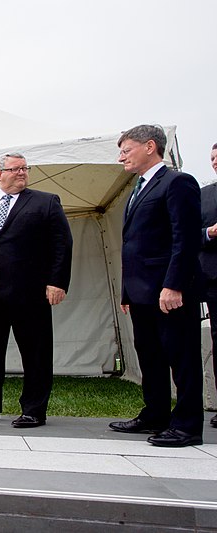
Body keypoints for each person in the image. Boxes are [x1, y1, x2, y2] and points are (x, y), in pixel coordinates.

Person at [0, 153, 73, 428]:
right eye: (15, 169)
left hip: (29, 294)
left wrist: (57, 282)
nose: (22, 173)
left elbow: (62, 245)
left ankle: (33, 410)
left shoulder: (45, 202)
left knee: (35, 354)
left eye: (25, 168)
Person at [109, 125, 203, 447]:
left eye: (126, 149)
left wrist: (174, 285)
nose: (121, 156)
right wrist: (126, 292)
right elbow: (132, 245)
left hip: (169, 292)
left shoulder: (177, 183)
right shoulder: (138, 188)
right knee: (150, 356)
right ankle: (155, 414)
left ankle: (188, 425)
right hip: (141, 294)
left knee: (182, 357)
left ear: (150, 146)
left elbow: (186, 239)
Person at [200, 142, 217, 429]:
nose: (215, 162)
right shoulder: (205, 194)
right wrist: (209, 233)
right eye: (213, 158)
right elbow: (191, 233)